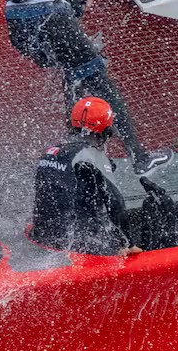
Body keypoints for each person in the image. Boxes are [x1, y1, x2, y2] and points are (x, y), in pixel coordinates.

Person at [5, 0, 170, 176]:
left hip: (17, 28)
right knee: (101, 83)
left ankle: (71, 154)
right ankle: (139, 157)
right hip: (53, 20)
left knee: (72, 73)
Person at [31, 96, 142, 257]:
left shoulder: (51, 152)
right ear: (106, 131)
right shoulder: (91, 156)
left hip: (43, 235)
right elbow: (116, 203)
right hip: (78, 242)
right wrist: (128, 243)